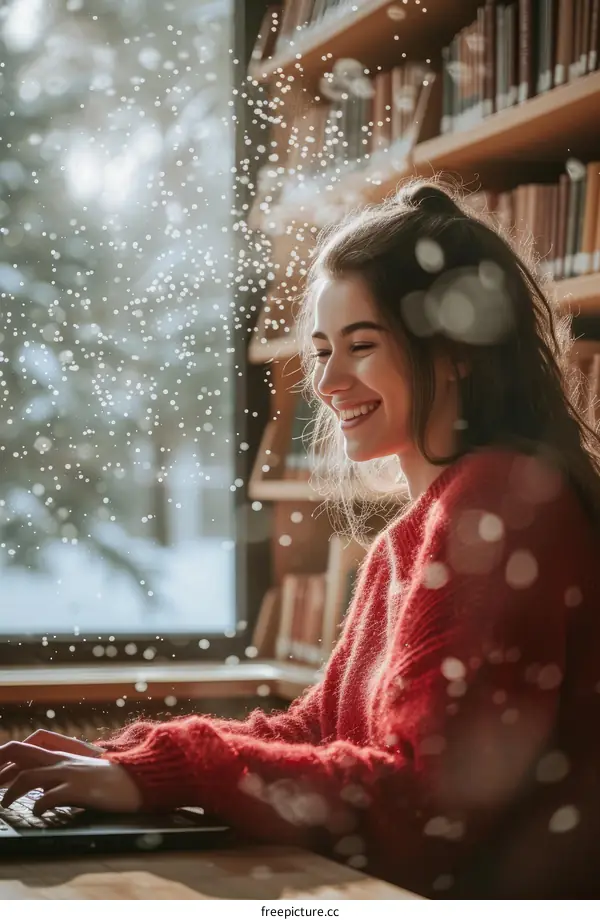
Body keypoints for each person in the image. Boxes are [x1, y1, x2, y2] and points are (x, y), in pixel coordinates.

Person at [2, 179, 600, 898]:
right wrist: (132, 761)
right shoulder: (425, 527)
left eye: (362, 345)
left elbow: (426, 802)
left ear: (457, 352)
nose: (328, 381)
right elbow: (321, 728)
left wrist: (174, 771)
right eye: (321, 350)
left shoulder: (498, 506)